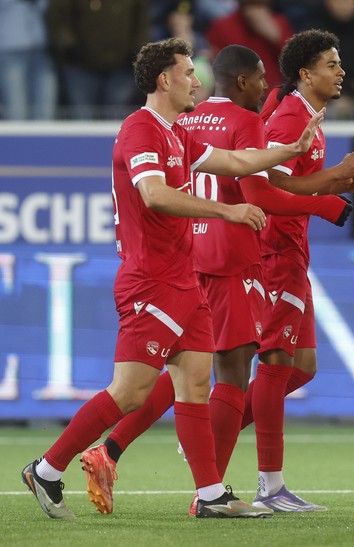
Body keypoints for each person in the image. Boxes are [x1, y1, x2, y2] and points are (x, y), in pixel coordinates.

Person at [20, 37, 325, 520]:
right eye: (188, 73)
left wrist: (290, 148)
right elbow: (155, 194)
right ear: (165, 80)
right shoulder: (140, 129)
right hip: (150, 279)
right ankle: (46, 469)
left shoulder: (177, 132)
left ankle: (211, 495)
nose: (197, 82)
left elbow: (235, 161)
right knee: (131, 391)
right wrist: (227, 211)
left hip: (185, 279)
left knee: (196, 385)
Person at [240, 29, 354, 512]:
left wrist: (338, 179)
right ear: (305, 73)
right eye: (331, 64)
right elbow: (269, 184)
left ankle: (216, 427)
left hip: (294, 250)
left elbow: (298, 180)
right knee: (277, 362)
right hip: (276, 251)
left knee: (303, 366)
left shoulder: (308, 115)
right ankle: (270, 488)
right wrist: (332, 181)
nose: (342, 72)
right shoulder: (289, 117)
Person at [46, 0, 150, 120]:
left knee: (117, 120)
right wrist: (68, 46)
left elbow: (143, 20)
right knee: (82, 118)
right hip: (80, 67)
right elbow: (58, 18)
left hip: (122, 68)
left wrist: (137, 50)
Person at [206, 0, 294, 90]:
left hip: (275, 91)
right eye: (253, 6)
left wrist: (276, 37)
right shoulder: (222, 26)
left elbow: (293, 63)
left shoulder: (280, 23)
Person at [0, 0, 57, 120]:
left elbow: (49, 7)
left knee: (45, 109)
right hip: (11, 49)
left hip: (41, 47)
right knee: (16, 110)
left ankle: (44, 133)